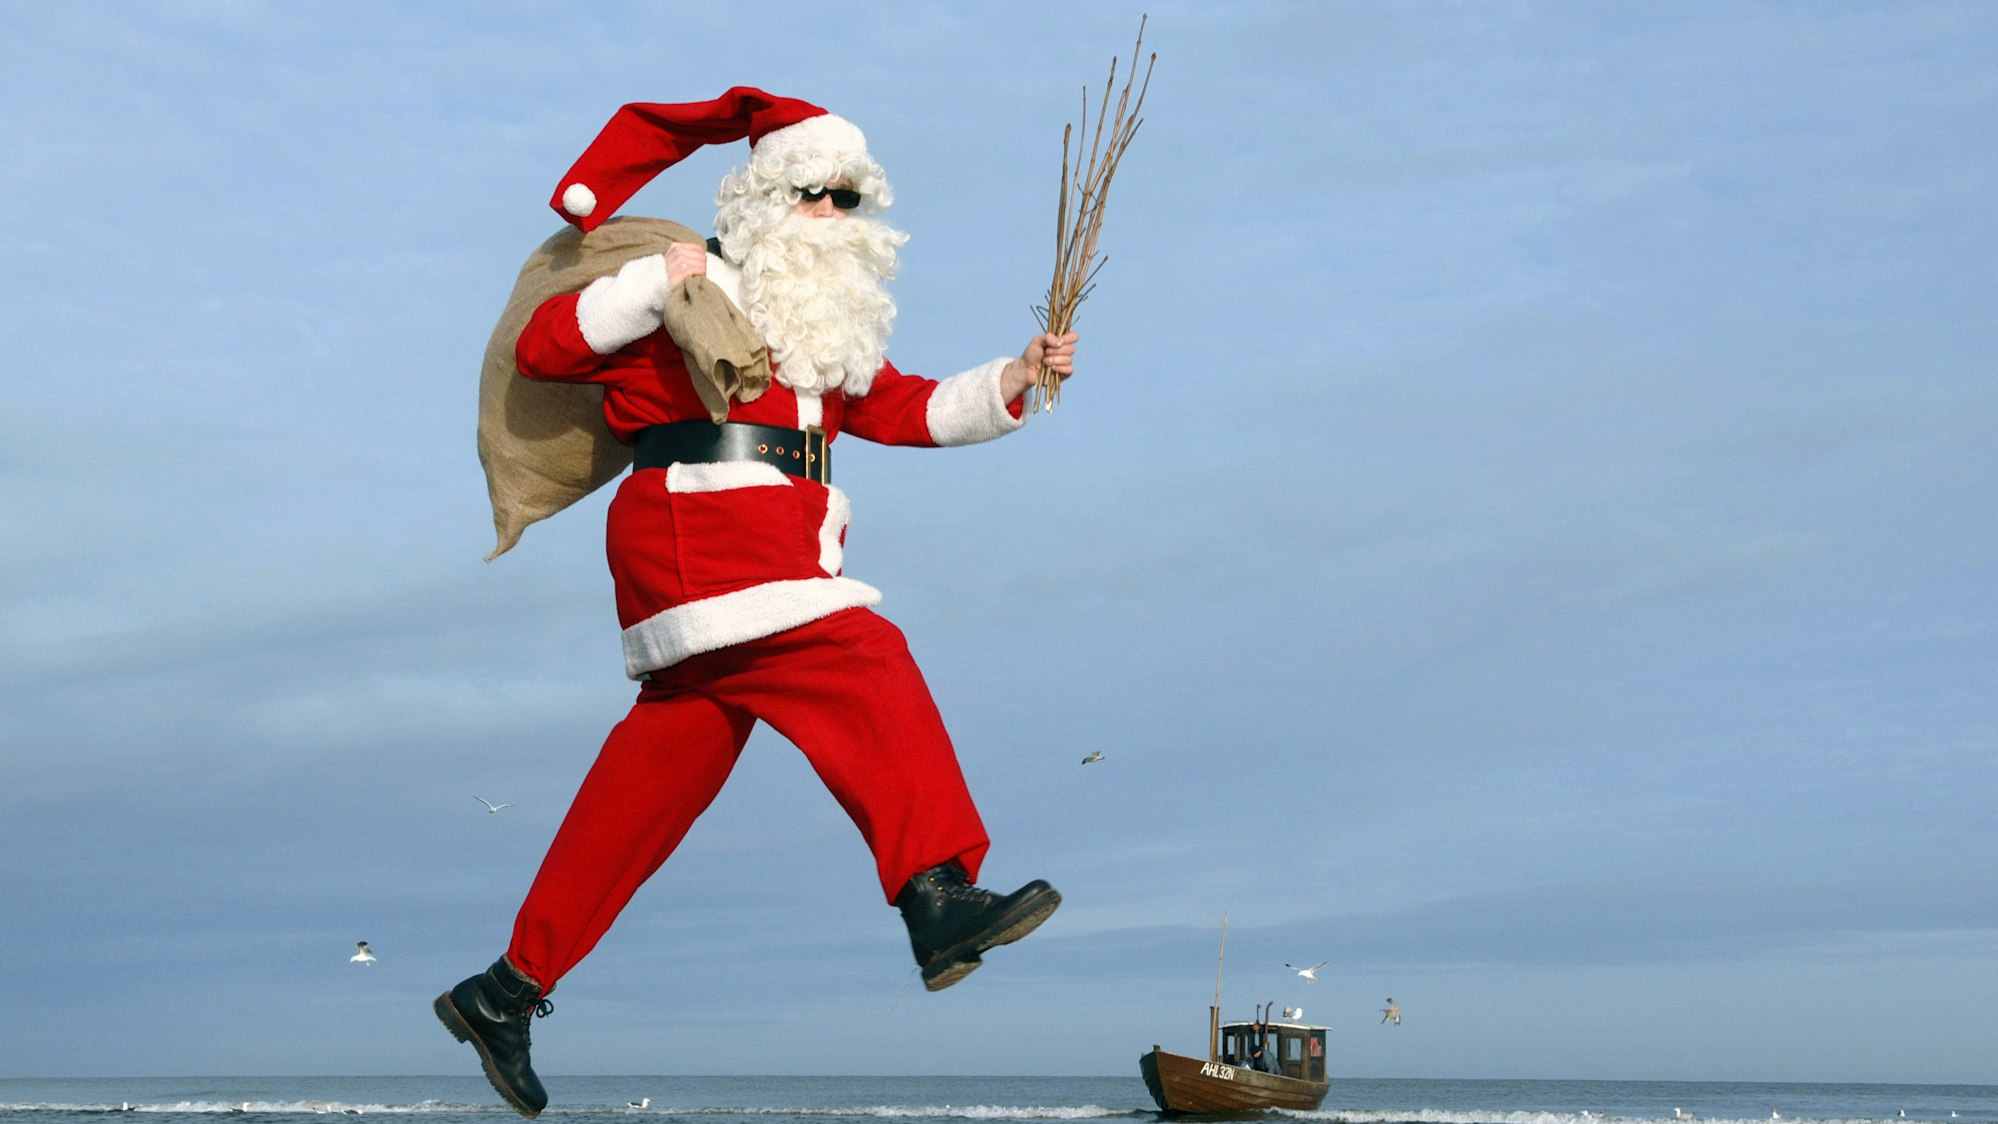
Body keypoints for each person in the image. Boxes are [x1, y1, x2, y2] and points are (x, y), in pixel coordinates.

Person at [434, 88, 1077, 1119]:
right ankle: (935, 893)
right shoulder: (690, 289)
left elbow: (907, 407)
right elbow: (546, 349)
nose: (834, 211)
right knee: (864, 655)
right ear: (768, 200)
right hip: (700, 529)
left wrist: (1017, 375)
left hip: (763, 550)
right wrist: (654, 281)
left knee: (649, 790)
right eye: (815, 193)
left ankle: (505, 987)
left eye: (849, 197)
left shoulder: (820, 330)